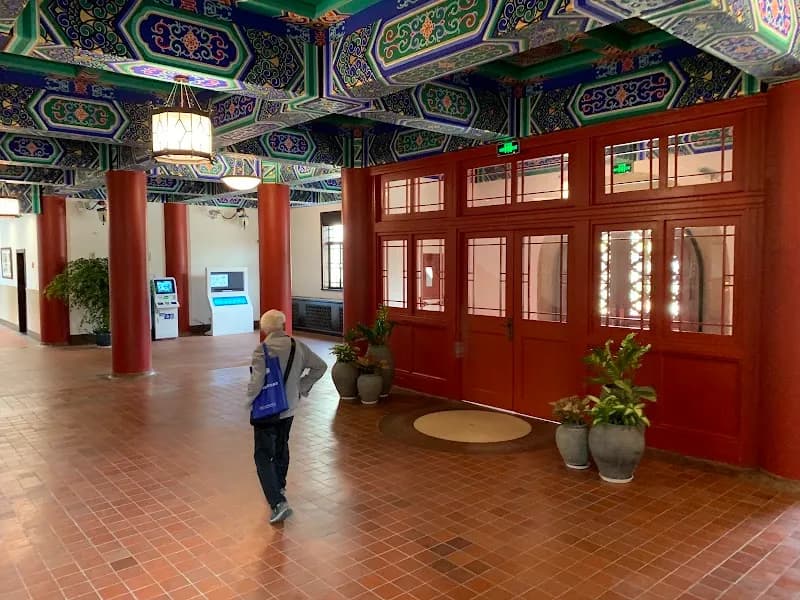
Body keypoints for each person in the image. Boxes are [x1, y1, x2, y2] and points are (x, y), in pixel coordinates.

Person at [246, 309, 327, 524]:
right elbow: (321, 366)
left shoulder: (262, 350)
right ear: (282, 325)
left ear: (264, 329)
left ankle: (278, 503)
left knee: (263, 454)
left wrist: (248, 402)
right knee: (282, 446)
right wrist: (301, 386)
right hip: (289, 408)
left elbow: (256, 383)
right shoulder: (297, 346)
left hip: (267, 410)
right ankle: (280, 486)